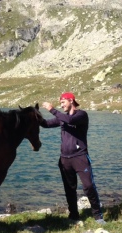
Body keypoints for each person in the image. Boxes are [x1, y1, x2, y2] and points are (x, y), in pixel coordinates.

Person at [41, 92, 105, 224]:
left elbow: (70, 120)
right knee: (69, 189)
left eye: (63, 102)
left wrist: (52, 109)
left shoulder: (81, 115)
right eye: (60, 103)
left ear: (71, 100)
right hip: (65, 159)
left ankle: (98, 216)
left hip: (80, 157)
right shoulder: (62, 118)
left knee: (88, 186)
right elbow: (46, 124)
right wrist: (33, 117)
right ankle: (74, 215)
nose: (61, 105)